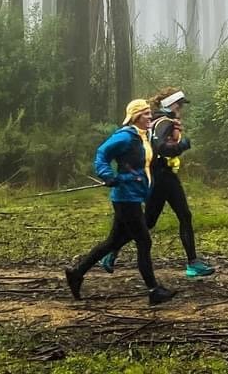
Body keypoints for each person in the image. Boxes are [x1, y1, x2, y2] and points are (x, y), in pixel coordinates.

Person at [64, 99, 176, 305]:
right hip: (125, 197)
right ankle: (154, 291)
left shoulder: (144, 137)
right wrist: (107, 175)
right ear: (135, 117)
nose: (149, 117)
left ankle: (77, 273)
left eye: (150, 113)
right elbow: (102, 154)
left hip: (133, 195)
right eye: (145, 114)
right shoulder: (125, 137)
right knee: (144, 241)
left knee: (113, 242)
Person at [100, 88, 215, 279]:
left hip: (157, 174)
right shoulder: (165, 122)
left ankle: (111, 251)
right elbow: (160, 147)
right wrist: (182, 145)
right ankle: (193, 264)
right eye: (179, 105)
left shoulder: (155, 121)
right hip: (163, 175)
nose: (181, 109)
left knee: (149, 221)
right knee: (184, 215)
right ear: (171, 105)